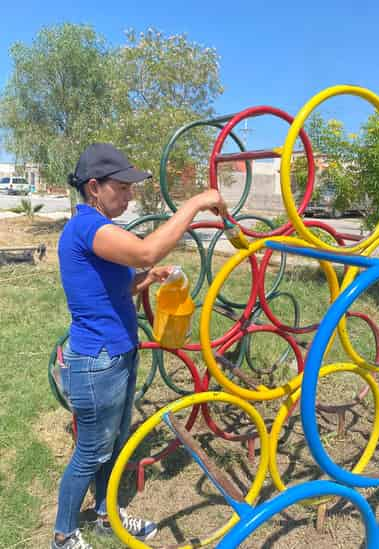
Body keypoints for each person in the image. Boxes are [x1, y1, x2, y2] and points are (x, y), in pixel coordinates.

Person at [52, 143, 228, 549]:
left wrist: (146, 280)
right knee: (91, 450)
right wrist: (198, 201)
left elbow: (116, 289)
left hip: (118, 353)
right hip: (97, 361)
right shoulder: (86, 228)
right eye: (123, 187)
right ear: (94, 187)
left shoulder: (99, 229)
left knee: (113, 443)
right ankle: (62, 535)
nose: (130, 195)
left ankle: (102, 515)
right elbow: (148, 249)